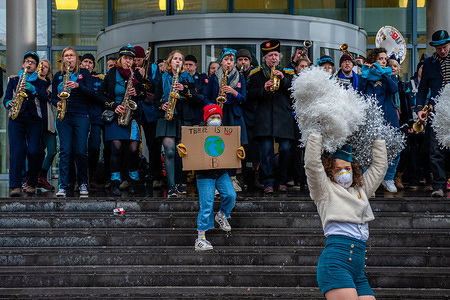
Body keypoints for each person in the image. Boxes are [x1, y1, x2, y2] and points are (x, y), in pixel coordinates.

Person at [304, 134, 387, 300]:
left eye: (347, 168)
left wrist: (377, 136)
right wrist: (315, 132)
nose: (344, 172)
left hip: (357, 267)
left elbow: (379, 168)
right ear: (329, 171)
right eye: (338, 169)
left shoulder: (361, 189)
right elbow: (312, 166)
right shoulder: (324, 190)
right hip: (336, 263)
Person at [177, 104, 244, 251]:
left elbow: (232, 148)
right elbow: (189, 147)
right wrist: (184, 151)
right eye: (213, 117)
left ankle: (222, 214)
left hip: (221, 172)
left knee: (231, 195)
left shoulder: (226, 133)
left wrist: (238, 152)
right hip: (204, 174)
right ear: (206, 120)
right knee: (206, 205)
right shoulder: (197, 132)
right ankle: (200, 239)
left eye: (218, 117)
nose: (216, 120)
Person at [247, 40, 295, 194]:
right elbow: (249, 95)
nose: (273, 58)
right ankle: (268, 182)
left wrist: (284, 80)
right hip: (264, 119)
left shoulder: (288, 73)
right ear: (265, 59)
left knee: (286, 150)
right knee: (266, 151)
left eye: (275, 55)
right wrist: (263, 89)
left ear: (279, 57)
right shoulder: (256, 74)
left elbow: (295, 93)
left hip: (284, 118)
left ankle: (282, 180)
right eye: (270, 56)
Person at [98, 45, 146, 196]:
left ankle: (133, 180)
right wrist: (114, 106)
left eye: (131, 59)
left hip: (132, 117)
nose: (128, 61)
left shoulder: (136, 75)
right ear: (120, 58)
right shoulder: (111, 74)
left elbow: (144, 94)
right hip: (116, 115)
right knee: (116, 148)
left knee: (133, 150)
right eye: (125, 58)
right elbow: (101, 95)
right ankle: (115, 181)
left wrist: (137, 91)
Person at [154, 50, 202, 198]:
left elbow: (197, 99)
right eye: (175, 58)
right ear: (170, 62)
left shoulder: (188, 79)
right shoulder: (163, 77)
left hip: (184, 117)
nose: (178, 61)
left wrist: (185, 90)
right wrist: (161, 105)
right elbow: (155, 99)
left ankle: (181, 183)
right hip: (167, 118)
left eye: (180, 59)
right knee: (169, 152)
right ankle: (171, 186)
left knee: (181, 153)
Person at [4, 51, 48, 197]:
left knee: (34, 151)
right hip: (16, 119)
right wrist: (8, 103)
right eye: (27, 61)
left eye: (32, 62)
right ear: (23, 64)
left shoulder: (41, 82)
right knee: (16, 152)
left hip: (34, 119)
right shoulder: (14, 79)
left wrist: (33, 89)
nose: (29, 64)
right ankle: (15, 185)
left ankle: (31, 183)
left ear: (36, 67)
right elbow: (6, 99)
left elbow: (43, 98)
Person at [202, 48, 247, 191]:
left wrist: (234, 92)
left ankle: (233, 179)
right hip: (218, 115)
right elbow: (205, 96)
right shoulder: (214, 77)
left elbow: (244, 99)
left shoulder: (240, 77)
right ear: (221, 61)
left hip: (234, 115)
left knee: (234, 147)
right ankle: (218, 180)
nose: (229, 62)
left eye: (231, 60)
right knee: (217, 146)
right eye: (226, 60)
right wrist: (212, 105)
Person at [52, 47, 95, 197]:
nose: (69, 58)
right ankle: (62, 186)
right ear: (63, 59)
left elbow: (91, 93)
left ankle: (82, 182)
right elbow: (52, 97)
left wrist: (78, 85)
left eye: (71, 55)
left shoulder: (84, 73)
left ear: (76, 59)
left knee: (81, 150)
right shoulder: (58, 76)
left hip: (81, 115)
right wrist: (57, 102)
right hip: (64, 116)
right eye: (66, 56)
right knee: (65, 150)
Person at [357, 47, 399, 193]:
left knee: (394, 148)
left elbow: (394, 89)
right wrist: (363, 75)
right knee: (368, 148)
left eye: (385, 59)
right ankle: (368, 180)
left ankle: (388, 179)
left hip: (389, 116)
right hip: (371, 117)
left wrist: (384, 75)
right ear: (374, 60)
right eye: (380, 58)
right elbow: (359, 93)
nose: (384, 61)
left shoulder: (389, 74)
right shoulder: (367, 76)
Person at [416, 30, 450, 197]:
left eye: (445, 47)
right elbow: (422, 89)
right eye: (439, 48)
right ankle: (438, 186)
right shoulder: (429, 63)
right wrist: (420, 108)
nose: (442, 51)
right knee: (435, 151)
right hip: (436, 112)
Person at [134, 46, 164, 190]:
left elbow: (158, 85)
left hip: (149, 111)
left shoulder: (153, 68)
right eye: (135, 60)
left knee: (153, 144)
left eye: (139, 60)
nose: (136, 62)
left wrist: (146, 77)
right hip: (135, 109)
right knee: (132, 144)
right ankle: (133, 174)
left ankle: (156, 174)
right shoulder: (129, 68)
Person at [80, 53, 105, 188]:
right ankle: (81, 177)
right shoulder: (76, 77)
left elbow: (99, 96)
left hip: (95, 118)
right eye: (85, 62)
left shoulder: (99, 79)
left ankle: (92, 173)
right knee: (80, 148)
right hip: (80, 116)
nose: (87, 64)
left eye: (90, 62)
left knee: (95, 147)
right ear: (80, 64)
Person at [36, 59, 57, 191]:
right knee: (34, 151)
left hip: (47, 120)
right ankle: (30, 178)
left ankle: (42, 177)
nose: (43, 68)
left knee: (52, 150)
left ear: (48, 71)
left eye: (46, 67)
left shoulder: (50, 84)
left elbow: (47, 96)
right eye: (41, 65)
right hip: (34, 120)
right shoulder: (30, 81)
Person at [185, 54, 208, 125]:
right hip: (185, 112)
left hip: (198, 112)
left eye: (190, 65)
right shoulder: (181, 78)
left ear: (196, 65)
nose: (188, 67)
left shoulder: (202, 77)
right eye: (186, 64)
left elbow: (204, 96)